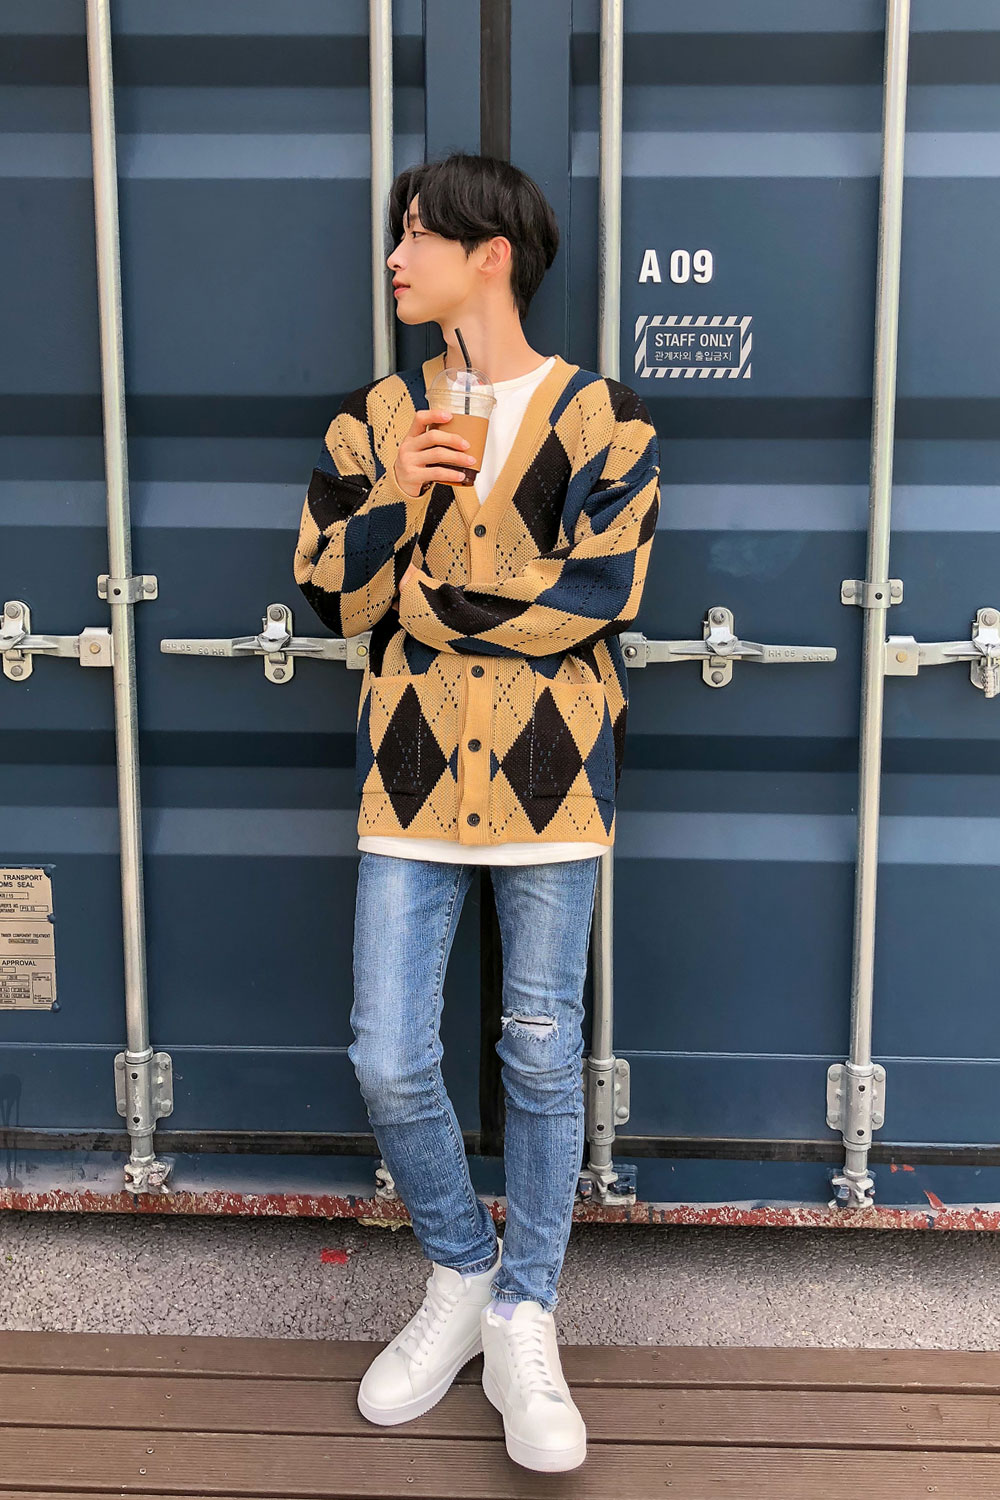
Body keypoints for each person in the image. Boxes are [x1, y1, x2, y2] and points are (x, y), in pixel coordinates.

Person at [293, 151, 660, 1474]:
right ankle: (460, 1269)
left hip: (553, 779)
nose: (395, 259)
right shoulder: (371, 424)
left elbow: (599, 599)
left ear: (488, 253)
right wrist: (401, 498)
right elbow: (328, 594)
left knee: (542, 1054)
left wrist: (426, 604)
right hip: (409, 774)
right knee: (390, 1054)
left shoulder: (604, 419)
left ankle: (525, 1315)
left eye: (416, 235)